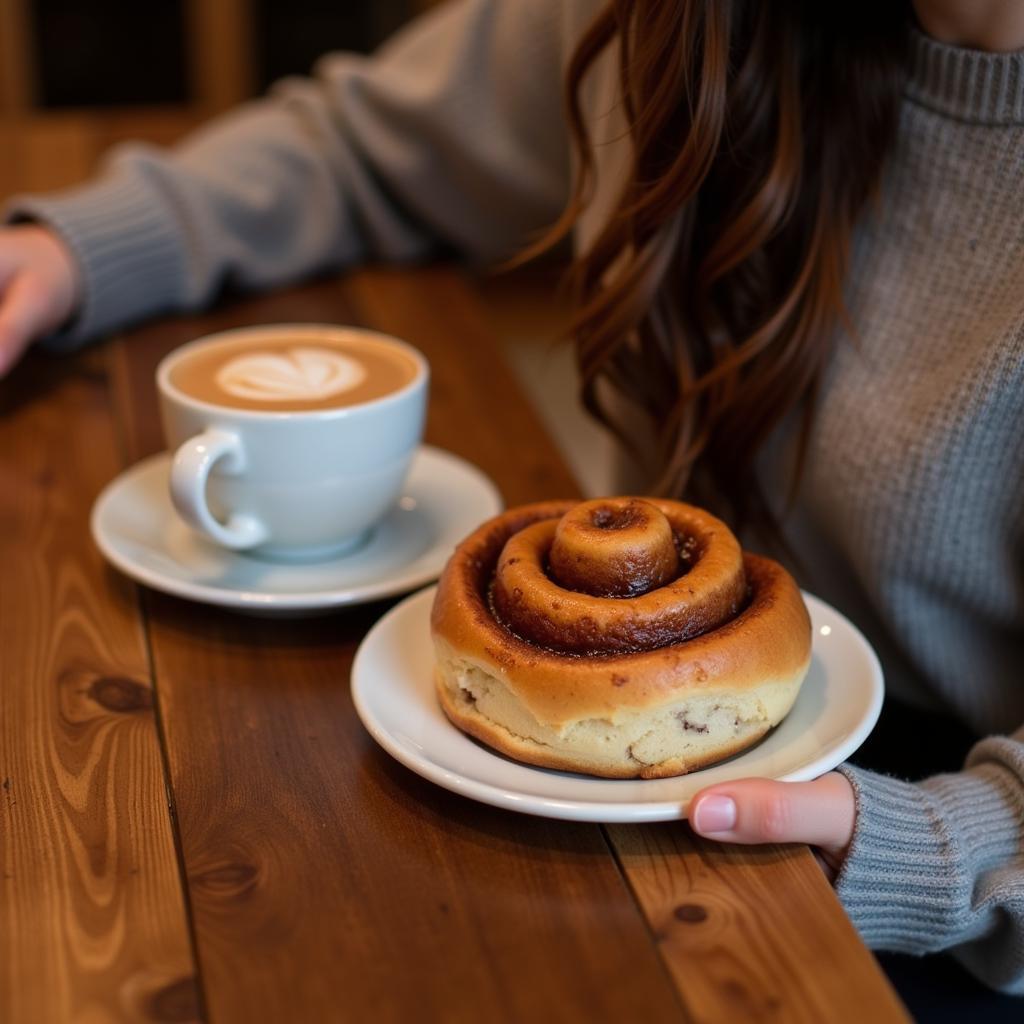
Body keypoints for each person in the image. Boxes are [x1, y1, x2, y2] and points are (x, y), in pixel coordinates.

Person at [1, 0, 1022, 1006]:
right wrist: (71, 252)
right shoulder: (665, 18)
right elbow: (365, 143)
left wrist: (947, 851)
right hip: (571, 725)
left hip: (929, 866)